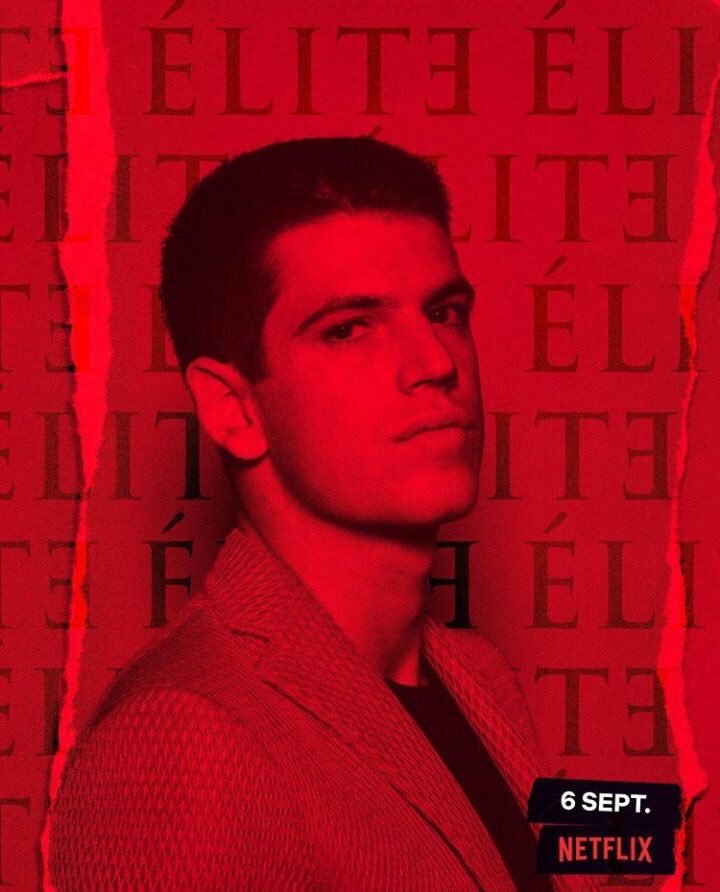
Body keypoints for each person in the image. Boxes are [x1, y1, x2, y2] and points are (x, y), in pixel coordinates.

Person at [48, 137, 560, 890]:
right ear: (233, 407)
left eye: (444, 311)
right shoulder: (190, 738)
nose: (436, 363)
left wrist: (659, 815)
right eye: (349, 328)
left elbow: (537, 845)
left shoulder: (475, 677)